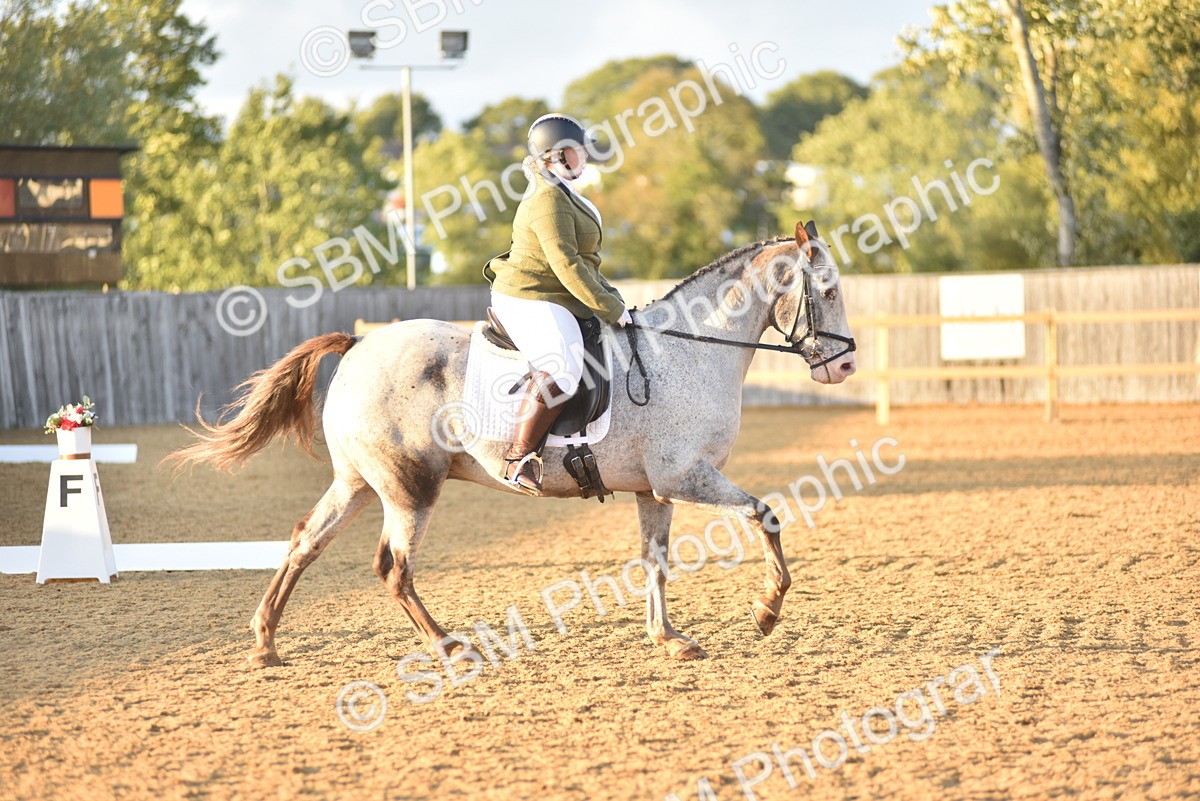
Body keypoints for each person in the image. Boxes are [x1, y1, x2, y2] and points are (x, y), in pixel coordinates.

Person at [482, 113, 632, 492]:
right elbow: (566, 265)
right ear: (554, 156)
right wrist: (611, 310)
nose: (584, 159)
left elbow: (586, 263)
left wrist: (613, 298)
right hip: (530, 294)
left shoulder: (566, 193)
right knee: (563, 368)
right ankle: (519, 459)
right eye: (576, 152)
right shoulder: (547, 200)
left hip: (556, 293)